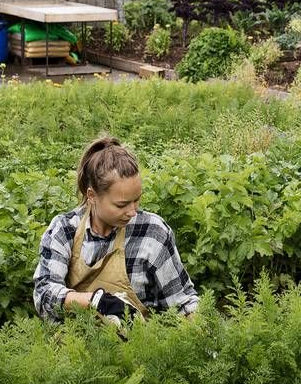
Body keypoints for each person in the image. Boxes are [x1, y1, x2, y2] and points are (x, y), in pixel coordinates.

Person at [33, 136, 199, 325]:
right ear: (92, 196)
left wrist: (204, 335)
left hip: (137, 349)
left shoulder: (152, 233)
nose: (132, 211)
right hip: (73, 349)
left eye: (136, 199)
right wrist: (96, 301)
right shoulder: (64, 230)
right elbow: (44, 293)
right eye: (122, 204)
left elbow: (183, 304)